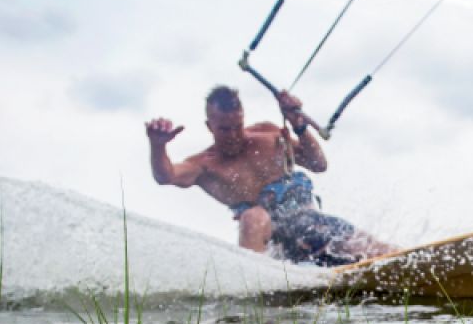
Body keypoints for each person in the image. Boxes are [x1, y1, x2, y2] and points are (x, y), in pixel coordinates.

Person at [145, 86, 394, 266]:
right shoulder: (206, 166)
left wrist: (298, 124)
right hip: (274, 252)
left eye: (236, 127)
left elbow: (318, 164)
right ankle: (254, 290)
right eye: (224, 129)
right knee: (254, 216)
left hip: (312, 226)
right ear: (209, 126)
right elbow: (166, 176)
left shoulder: (267, 136)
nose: (232, 135)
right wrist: (158, 146)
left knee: (377, 251)